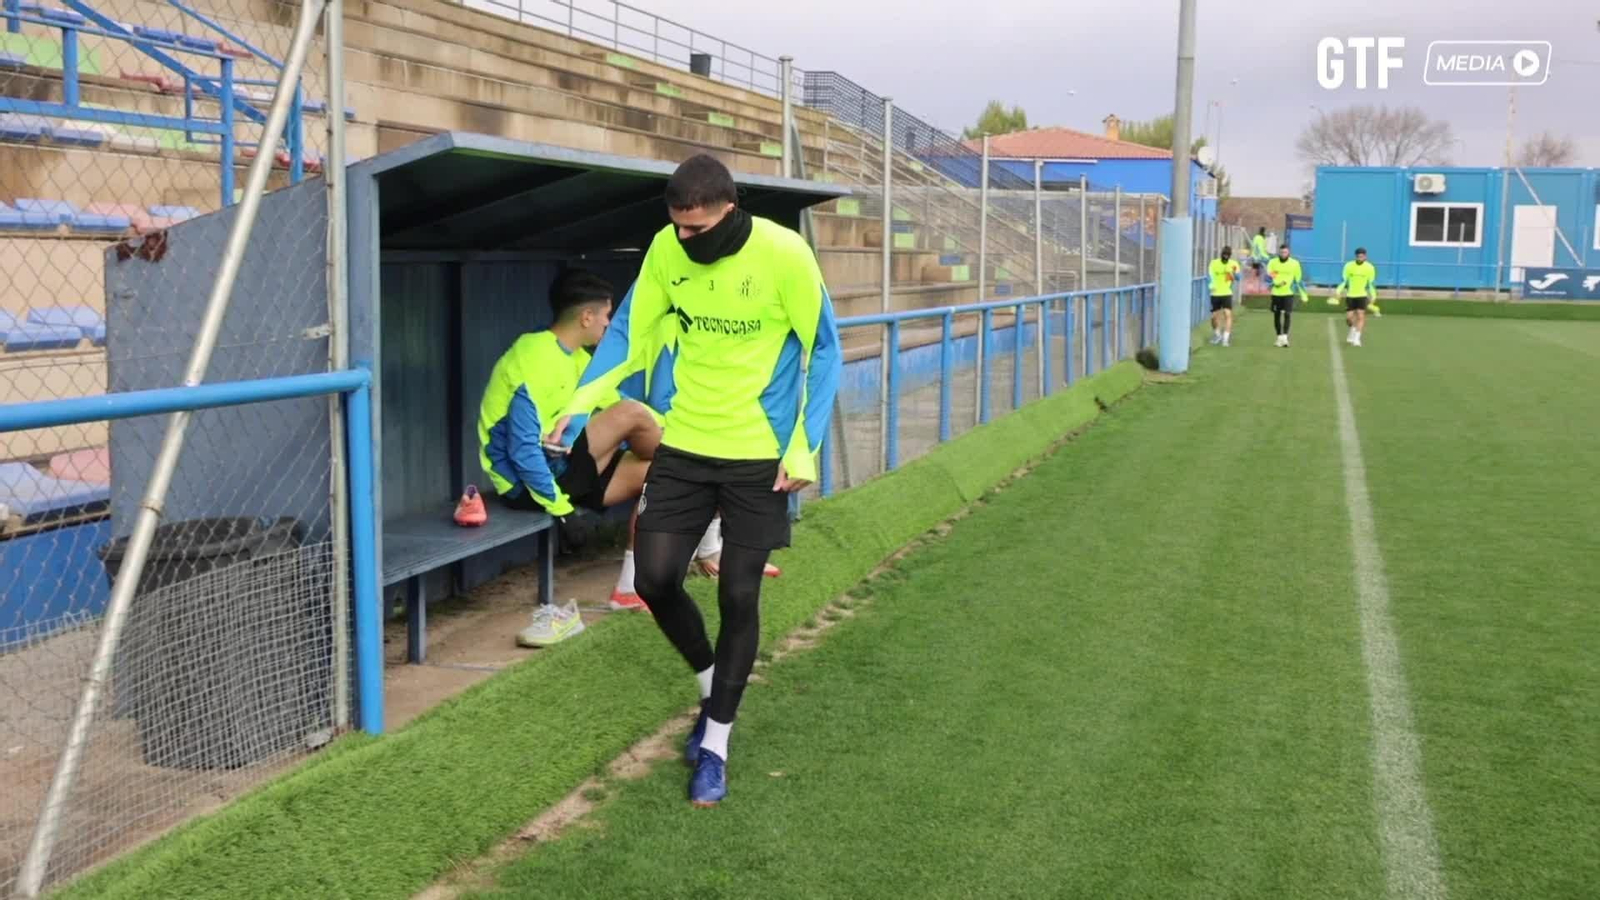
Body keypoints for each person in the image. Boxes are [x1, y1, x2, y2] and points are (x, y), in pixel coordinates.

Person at [551, 154, 842, 807]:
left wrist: (803, 446)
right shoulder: (665, 249)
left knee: (740, 595)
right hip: (684, 443)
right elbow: (631, 333)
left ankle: (716, 745)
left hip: (759, 455)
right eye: (677, 227)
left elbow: (824, 348)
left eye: (698, 228)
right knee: (655, 579)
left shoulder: (784, 254)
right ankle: (714, 689)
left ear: (730, 212)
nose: (686, 240)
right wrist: (580, 404)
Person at [475, 269, 665, 647]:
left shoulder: (578, 358)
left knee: (666, 475)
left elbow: (607, 403)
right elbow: (523, 451)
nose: (609, 326)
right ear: (586, 317)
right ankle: (708, 474)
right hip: (529, 484)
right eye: (607, 317)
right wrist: (561, 510)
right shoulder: (531, 357)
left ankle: (629, 589)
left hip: (565, 468)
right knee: (634, 415)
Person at [1266, 243, 1306, 348]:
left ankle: (1285, 337)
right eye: (1281, 252)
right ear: (1279, 252)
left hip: (1288, 293)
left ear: (1289, 252)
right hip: (1276, 293)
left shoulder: (1295, 263)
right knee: (1277, 315)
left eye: (1285, 252)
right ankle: (1279, 337)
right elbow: (1270, 276)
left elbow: (1298, 279)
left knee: (1287, 314)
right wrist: (1275, 283)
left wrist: (1302, 293)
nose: (1283, 254)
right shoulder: (1273, 262)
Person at [1337, 247, 1378, 347]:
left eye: (1362, 256)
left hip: (1362, 295)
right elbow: (1344, 281)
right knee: (1349, 318)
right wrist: (1338, 292)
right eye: (1358, 256)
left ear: (1365, 256)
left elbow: (1371, 284)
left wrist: (1373, 295)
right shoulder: (1348, 266)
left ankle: (1357, 338)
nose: (1360, 258)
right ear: (1356, 257)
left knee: (1360, 316)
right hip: (1350, 295)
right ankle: (1352, 328)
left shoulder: (1370, 267)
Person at [1207, 245, 1238, 346]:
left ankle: (1225, 338)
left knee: (1227, 314)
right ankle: (1217, 335)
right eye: (1224, 255)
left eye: (1227, 255)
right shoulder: (1214, 263)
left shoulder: (1234, 264)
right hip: (1215, 293)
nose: (1226, 257)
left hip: (1227, 293)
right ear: (1221, 254)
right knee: (1214, 317)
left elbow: (1238, 277)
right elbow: (1210, 276)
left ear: (1230, 256)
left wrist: (1231, 273)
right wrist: (1211, 285)